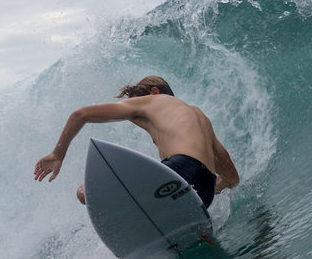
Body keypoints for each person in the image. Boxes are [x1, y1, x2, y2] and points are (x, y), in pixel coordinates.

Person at [33, 75, 239, 207]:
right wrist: (189, 191)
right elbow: (231, 178)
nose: (136, 120)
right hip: (205, 190)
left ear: (154, 92)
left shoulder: (154, 101)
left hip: (177, 170)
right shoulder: (201, 119)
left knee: (84, 192)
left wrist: (57, 154)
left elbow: (80, 114)